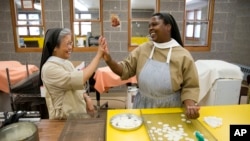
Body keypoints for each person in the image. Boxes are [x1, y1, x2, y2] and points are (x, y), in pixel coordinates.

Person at [102, 13, 200, 119]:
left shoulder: (182, 55)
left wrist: (190, 105)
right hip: (143, 105)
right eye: (149, 26)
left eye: (154, 24)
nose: (150, 28)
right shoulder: (144, 49)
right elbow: (125, 69)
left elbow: (190, 86)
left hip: (170, 108)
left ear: (168, 27)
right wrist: (109, 60)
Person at [39, 28, 106, 119]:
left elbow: (75, 86)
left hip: (76, 116)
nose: (70, 47)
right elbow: (79, 79)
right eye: (67, 44)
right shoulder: (49, 69)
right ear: (55, 47)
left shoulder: (67, 63)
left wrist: (86, 98)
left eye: (71, 43)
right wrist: (98, 56)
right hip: (63, 120)